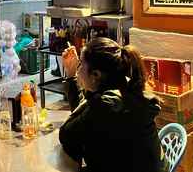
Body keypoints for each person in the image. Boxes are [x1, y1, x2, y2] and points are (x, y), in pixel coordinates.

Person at [59, 38, 164, 172]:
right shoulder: (126, 88)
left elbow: (67, 135)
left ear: (96, 75)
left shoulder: (106, 104)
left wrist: (82, 86)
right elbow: (86, 119)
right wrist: (72, 75)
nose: (78, 69)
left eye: (80, 65)